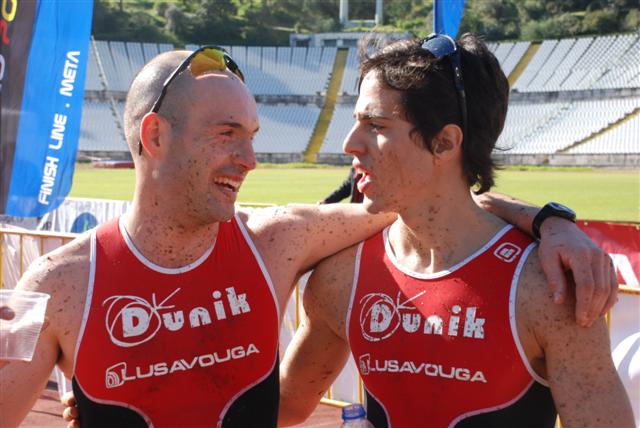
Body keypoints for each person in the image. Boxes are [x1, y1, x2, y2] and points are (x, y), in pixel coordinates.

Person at [0, 46, 617, 428]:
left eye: (251, 135)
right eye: (227, 134)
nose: (250, 159)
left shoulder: (279, 242)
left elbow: (440, 200)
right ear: (155, 136)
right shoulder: (55, 284)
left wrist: (551, 221)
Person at [279, 34, 634, 428]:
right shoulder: (341, 275)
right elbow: (282, 407)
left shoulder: (545, 288)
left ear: (444, 143)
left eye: (375, 125)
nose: (350, 144)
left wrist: (553, 222)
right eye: (355, 122)